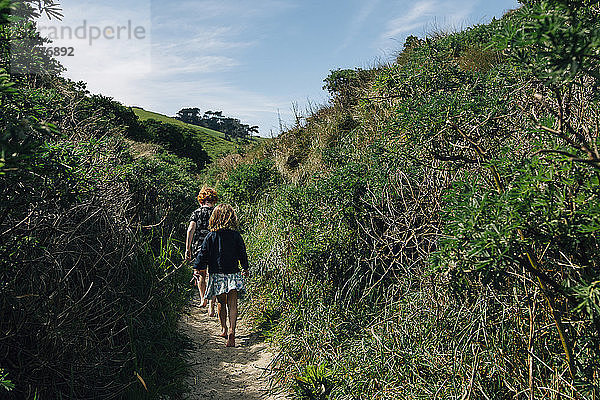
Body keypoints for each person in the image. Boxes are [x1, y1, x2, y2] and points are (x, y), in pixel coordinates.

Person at [193, 204, 248, 347]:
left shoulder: (211, 236)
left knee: (221, 303)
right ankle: (232, 331)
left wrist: (197, 268)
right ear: (231, 218)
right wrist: (245, 267)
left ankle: (223, 329)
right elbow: (242, 253)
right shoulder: (236, 235)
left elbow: (203, 253)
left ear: (214, 218)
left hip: (217, 274)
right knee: (233, 304)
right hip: (233, 274)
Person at [186, 187, 217, 314]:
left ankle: (203, 299)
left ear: (201, 200)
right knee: (213, 275)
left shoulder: (196, 213)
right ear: (213, 200)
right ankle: (211, 305)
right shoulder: (217, 212)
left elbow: (190, 230)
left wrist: (187, 249)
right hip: (215, 247)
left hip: (199, 247)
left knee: (201, 275)